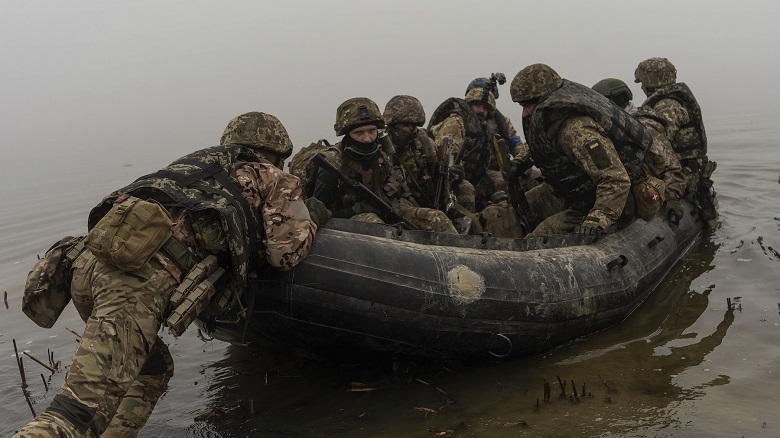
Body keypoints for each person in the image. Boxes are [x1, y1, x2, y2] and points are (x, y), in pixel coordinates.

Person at [16, 112, 324, 437]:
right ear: (276, 151)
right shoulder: (271, 175)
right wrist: (312, 216)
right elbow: (284, 253)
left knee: (152, 370)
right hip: (135, 286)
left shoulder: (194, 165)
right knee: (72, 416)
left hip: (83, 267)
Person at [509, 63, 653, 237]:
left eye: (528, 105)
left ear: (543, 100)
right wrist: (520, 161)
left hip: (612, 202)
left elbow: (615, 178)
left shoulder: (576, 131)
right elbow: (542, 147)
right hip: (579, 197)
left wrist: (598, 218)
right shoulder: (551, 123)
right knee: (521, 207)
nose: (525, 113)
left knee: (539, 237)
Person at [312, 97, 458, 234]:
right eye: (359, 133)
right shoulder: (332, 163)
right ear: (347, 134)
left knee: (437, 219)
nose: (367, 138)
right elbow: (320, 214)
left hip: (390, 210)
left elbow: (402, 191)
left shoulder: (384, 152)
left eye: (371, 131)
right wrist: (357, 209)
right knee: (376, 225)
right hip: (351, 224)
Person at [592, 78, 688, 221]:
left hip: (644, 189)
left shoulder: (643, 127)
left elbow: (672, 168)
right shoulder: (608, 126)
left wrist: (672, 198)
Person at [428, 76, 525, 211]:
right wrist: (452, 169)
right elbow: (446, 153)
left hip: (482, 175)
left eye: (485, 107)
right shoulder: (456, 121)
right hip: (454, 178)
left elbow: (517, 145)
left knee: (511, 181)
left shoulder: (499, 122)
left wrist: (521, 161)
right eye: (477, 105)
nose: (481, 110)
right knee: (466, 189)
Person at [382, 95, 477, 231]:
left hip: (427, 199)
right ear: (392, 124)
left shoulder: (423, 142)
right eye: (406, 125)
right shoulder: (382, 148)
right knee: (436, 219)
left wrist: (452, 174)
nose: (412, 130)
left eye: (415, 125)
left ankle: (464, 232)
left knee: (465, 188)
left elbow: (438, 171)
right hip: (397, 205)